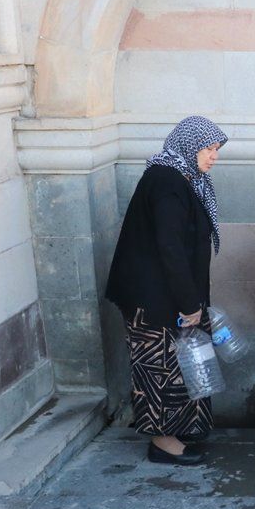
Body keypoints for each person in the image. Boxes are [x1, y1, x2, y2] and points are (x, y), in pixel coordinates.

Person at [106, 116, 228, 465]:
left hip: (167, 295)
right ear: (189, 146)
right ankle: (162, 443)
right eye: (208, 148)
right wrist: (190, 303)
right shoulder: (167, 181)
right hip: (154, 299)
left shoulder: (183, 179)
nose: (213, 156)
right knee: (159, 368)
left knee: (178, 366)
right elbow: (170, 247)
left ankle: (179, 433)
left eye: (216, 149)